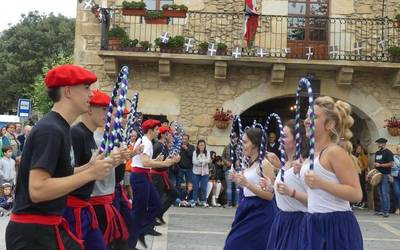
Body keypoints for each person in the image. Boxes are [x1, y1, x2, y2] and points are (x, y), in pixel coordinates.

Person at [5, 64, 114, 250]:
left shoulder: (61, 128)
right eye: (86, 88)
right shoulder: (51, 130)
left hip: (46, 229)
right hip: (33, 236)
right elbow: (38, 190)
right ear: (68, 91)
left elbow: (60, 175)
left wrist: (90, 166)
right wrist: (91, 174)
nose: (91, 94)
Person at [300, 96, 363, 250]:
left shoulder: (334, 152)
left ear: (330, 124)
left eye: (313, 117)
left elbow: (356, 194)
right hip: (312, 222)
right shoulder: (312, 155)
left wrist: (321, 183)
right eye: (307, 116)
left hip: (335, 226)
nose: (306, 121)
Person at [63, 89, 115, 250]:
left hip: (85, 207)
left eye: (109, 110)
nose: (108, 114)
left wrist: (113, 161)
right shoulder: (76, 133)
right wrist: (91, 168)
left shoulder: (89, 136)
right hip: (73, 210)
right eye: (104, 109)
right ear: (90, 109)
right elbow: (67, 173)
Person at [129, 119, 179, 249]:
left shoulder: (147, 141)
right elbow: (145, 163)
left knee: (156, 203)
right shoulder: (146, 142)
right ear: (150, 131)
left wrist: (155, 160)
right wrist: (165, 163)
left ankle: (143, 229)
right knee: (138, 211)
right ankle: (131, 242)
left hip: (143, 176)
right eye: (157, 129)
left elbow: (144, 161)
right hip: (140, 176)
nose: (159, 132)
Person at [224, 127, 277, 250]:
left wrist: (247, 184)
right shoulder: (250, 163)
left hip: (260, 210)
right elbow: (247, 187)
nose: (243, 145)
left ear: (254, 143)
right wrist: (238, 180)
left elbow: (270, 195)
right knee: (232, 243)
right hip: (246, 208)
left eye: (245, 142)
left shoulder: (265, 164)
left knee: (236, 244)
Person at [266, 119, 309, 250]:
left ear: (297, 139)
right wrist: (271, 187)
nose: (280, 139)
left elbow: (315, 199)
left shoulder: (304, 164)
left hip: (297, 223)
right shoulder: (285, 164)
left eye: (284, 136)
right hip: (281, 220)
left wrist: (291, 192)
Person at [151, 126, 180, 225]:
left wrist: (172, 159)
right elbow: (157, 164)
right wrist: (172, 161)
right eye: (169, 134)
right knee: (157, 198)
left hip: (162, 175)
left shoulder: (163, 145)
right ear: (163, 135)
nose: (171, 136)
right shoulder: (159, 146)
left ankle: (158, 214)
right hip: (157, 176)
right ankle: (152, 218)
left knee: (174, 193)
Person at [374, 137, 394, 217]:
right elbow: (376, 162)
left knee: (385, 193)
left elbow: (391, 164)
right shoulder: (377, 153)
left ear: (383, 144)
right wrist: (375, 165)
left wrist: (380, 165)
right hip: (377, 175)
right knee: (380, 193)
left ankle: (386, 211)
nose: (378, 145)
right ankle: (382, 210)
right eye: (378, 143)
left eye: (379, 143)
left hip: (385, 175)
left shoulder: (388, 152)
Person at [191, 139, 211, 207]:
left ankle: (203, 201)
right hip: (196, 172)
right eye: (200, 145)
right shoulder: (195, 152)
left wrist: (202, 162)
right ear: (198, 146)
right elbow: (194, 161)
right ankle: (194, 200)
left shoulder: (207, 152)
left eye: (203, 145)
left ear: (205, 146)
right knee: (195, 187)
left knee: (204, 187)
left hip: (205, 173)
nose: (201, 146)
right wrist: (202, 163)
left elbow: (208, 160)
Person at [221, 133, 240, 208]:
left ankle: (237, 203)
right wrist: (226, 162)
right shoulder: (227, 147)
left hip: (237, 170)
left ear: (237, 138)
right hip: (228, 169)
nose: (233, 138)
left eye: (234, 137)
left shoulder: (240, 147)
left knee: (237, 188)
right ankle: (229, 203)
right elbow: (222, 157)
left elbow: (245, 156)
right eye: (231, 137)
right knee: (229, 187)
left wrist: (239, 160)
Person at [177, 134, 195, 200]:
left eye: (185, 139)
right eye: (183, 139)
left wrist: (187, 149)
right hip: (180, 168)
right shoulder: (178, 147)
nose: (184, 140)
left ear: (188, 140)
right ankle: (179, 198)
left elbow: (192, 156)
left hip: (189, 169)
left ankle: (189, 199)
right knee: (179, 184)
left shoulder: (192, 147)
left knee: (190, 184)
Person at [354, 144, 369, 209]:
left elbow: (366, 166)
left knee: (362, 187)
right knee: (357, 188)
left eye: (360, 148)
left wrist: (360, 168)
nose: (358, 150)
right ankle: (358, 201)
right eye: (357, 148)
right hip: (355, 174)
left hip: (361, 174)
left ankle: (364, 202)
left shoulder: (363, 156)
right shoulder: (354, 155)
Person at [392, 144, 400, 216]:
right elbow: (392, 167)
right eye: (398, 149)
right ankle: (397, 208)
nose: (399, 150)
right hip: (396, 177)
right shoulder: (393, 158)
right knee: (397, 192)